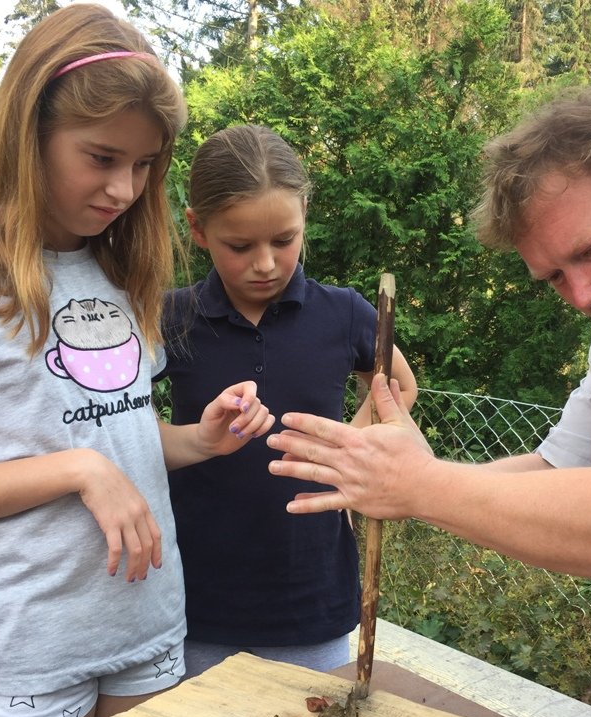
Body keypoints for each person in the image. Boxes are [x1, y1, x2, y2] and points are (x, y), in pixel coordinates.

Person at [266, 84, 591, 717]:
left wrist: (421, 487)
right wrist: (396, 478)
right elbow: (549, 472)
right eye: (555, 278)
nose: (583, 293)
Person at [0, 5, 274, 717]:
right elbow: (79, 458)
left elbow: (112, 434)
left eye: (144, 165)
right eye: (100, 157)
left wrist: (199, 439)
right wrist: (78, 470)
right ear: (29, 132)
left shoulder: (119, 271)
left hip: (147, 630)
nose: (123, 189)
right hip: (32, 646)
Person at [160, 124, 417, 676]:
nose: (266, 264)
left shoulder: (343, 312)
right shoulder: (171, 317)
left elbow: (396, 385)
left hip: (310, 595)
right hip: (195, 598)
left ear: (304, 215)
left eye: (284, 240)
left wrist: (347, 449)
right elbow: (120, 419)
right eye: (240, 245)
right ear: (198, 230)